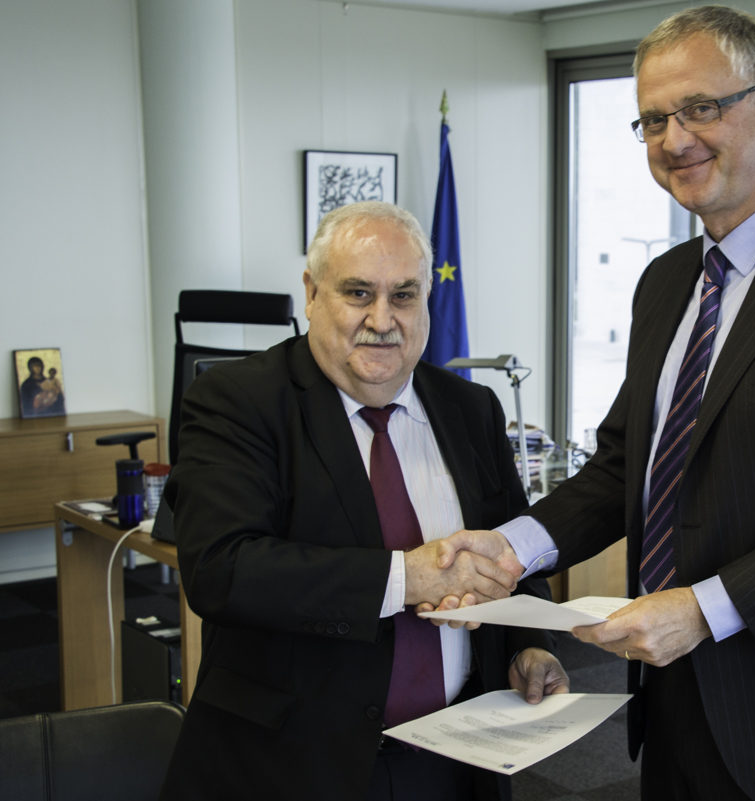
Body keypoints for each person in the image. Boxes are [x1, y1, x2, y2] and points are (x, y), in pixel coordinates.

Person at [441, 7, 755, 801]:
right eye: (653, 119)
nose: (674, 138)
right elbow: (626, 464)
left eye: (701, 108)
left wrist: (706, 608)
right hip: (678, 699)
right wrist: (511, 550)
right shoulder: (666, 281)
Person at [159, 201, 567, 801]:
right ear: (312, 293)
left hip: (457, 759)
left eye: (404, 295)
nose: (383, 319)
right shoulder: (236, 401)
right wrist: (407, 578)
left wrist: (529, 644)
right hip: (292, 765)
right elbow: (223, 570)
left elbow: (511, 555)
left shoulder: (470, 409)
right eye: (358, 293)